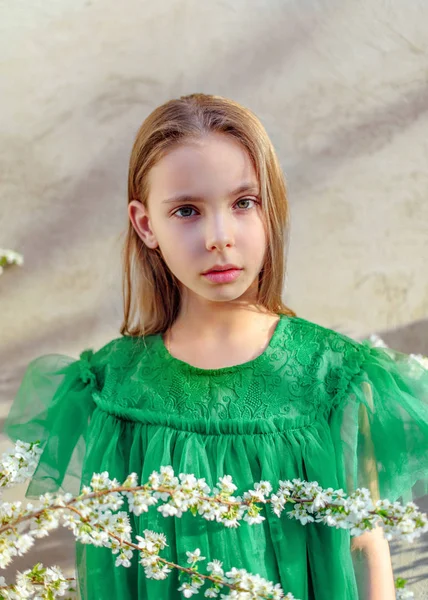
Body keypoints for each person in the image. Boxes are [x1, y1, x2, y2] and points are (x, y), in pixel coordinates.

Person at [3, 93, 428, 600]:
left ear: (270, 209)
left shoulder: (334, 379)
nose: (219, 237)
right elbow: (110, 570)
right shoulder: (112, 391)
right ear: (145, 225)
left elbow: (362, 544)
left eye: (243, 203)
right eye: (186, 210)